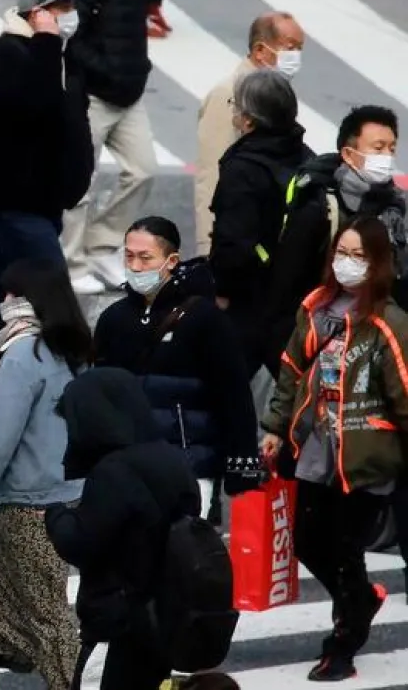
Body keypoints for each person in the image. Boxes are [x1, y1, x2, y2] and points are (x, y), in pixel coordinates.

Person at [261, 217, 408, 682]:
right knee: (306, 540)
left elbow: (404, 392)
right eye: (341, 252)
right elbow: (290, 368)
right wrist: (274, 426)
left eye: (358, 255)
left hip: (366, 457)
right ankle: (360, 598)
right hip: (317, 451)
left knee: (347, 549)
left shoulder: (390, 323)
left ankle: (341, 646)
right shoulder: (316, 308)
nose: (346, 263)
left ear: (378, 263)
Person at [0, 259, 86, 690]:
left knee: (46, 615)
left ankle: (65, 684)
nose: (2, 303)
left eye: (7, 294)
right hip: (68, 497)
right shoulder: (72, 349)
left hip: (30, 507)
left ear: (22, 300)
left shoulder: (22, 353)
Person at [45, 367, 200, 690]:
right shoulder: (172, 458)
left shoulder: (114, 472)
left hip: (118, 620)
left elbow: (80, 542)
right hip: (164, 613)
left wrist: (56, 515)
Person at [94, 216, 255, 522]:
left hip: (190, 464)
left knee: (184, 556)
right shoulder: (113, 320)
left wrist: (241, 463)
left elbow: (233, 393)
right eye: (129, 256)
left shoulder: (205, 320)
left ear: (171, 261)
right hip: (128, 466)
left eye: (145, 257)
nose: (136, 266)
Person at [0, 0, 93, 352]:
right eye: (63, 5)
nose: (71, 13)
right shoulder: (9, 55)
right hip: (15, 201)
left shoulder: (55, 53)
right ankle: (76, 359)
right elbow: (35, 109)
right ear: (38, 12)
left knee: (9, 285)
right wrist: (46, 45)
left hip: (44, 200)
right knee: (49, 283)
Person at [264, 105, 406, 371]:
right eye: (378, 148)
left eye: (392, 148)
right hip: (321, 346)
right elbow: (285, 288)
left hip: (378, 347)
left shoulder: (396, 208)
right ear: (349, 154)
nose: (387, 156)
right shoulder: (319, 207)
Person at [63, 0, 156, 293]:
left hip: (130, 94)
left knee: (143, 170)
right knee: (80, 183)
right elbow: (73, 37)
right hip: (96, 96)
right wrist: (105, 71)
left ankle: (102, 244)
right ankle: (71, 262)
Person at [209, 69, 312, 399]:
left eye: (236, 106)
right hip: (297, 290)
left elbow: (232, 241)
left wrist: (222, 291)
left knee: (224, 390)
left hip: (251, 298)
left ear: (249, 121)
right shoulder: (306, 156)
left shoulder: (243, 168)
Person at [194, 11, 306, 253]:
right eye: (290, 48)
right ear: (259, 50)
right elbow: (212, 174)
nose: (296, 56)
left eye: (300, 49)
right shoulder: (229, 94)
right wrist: (207, 246)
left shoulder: (274, 92)